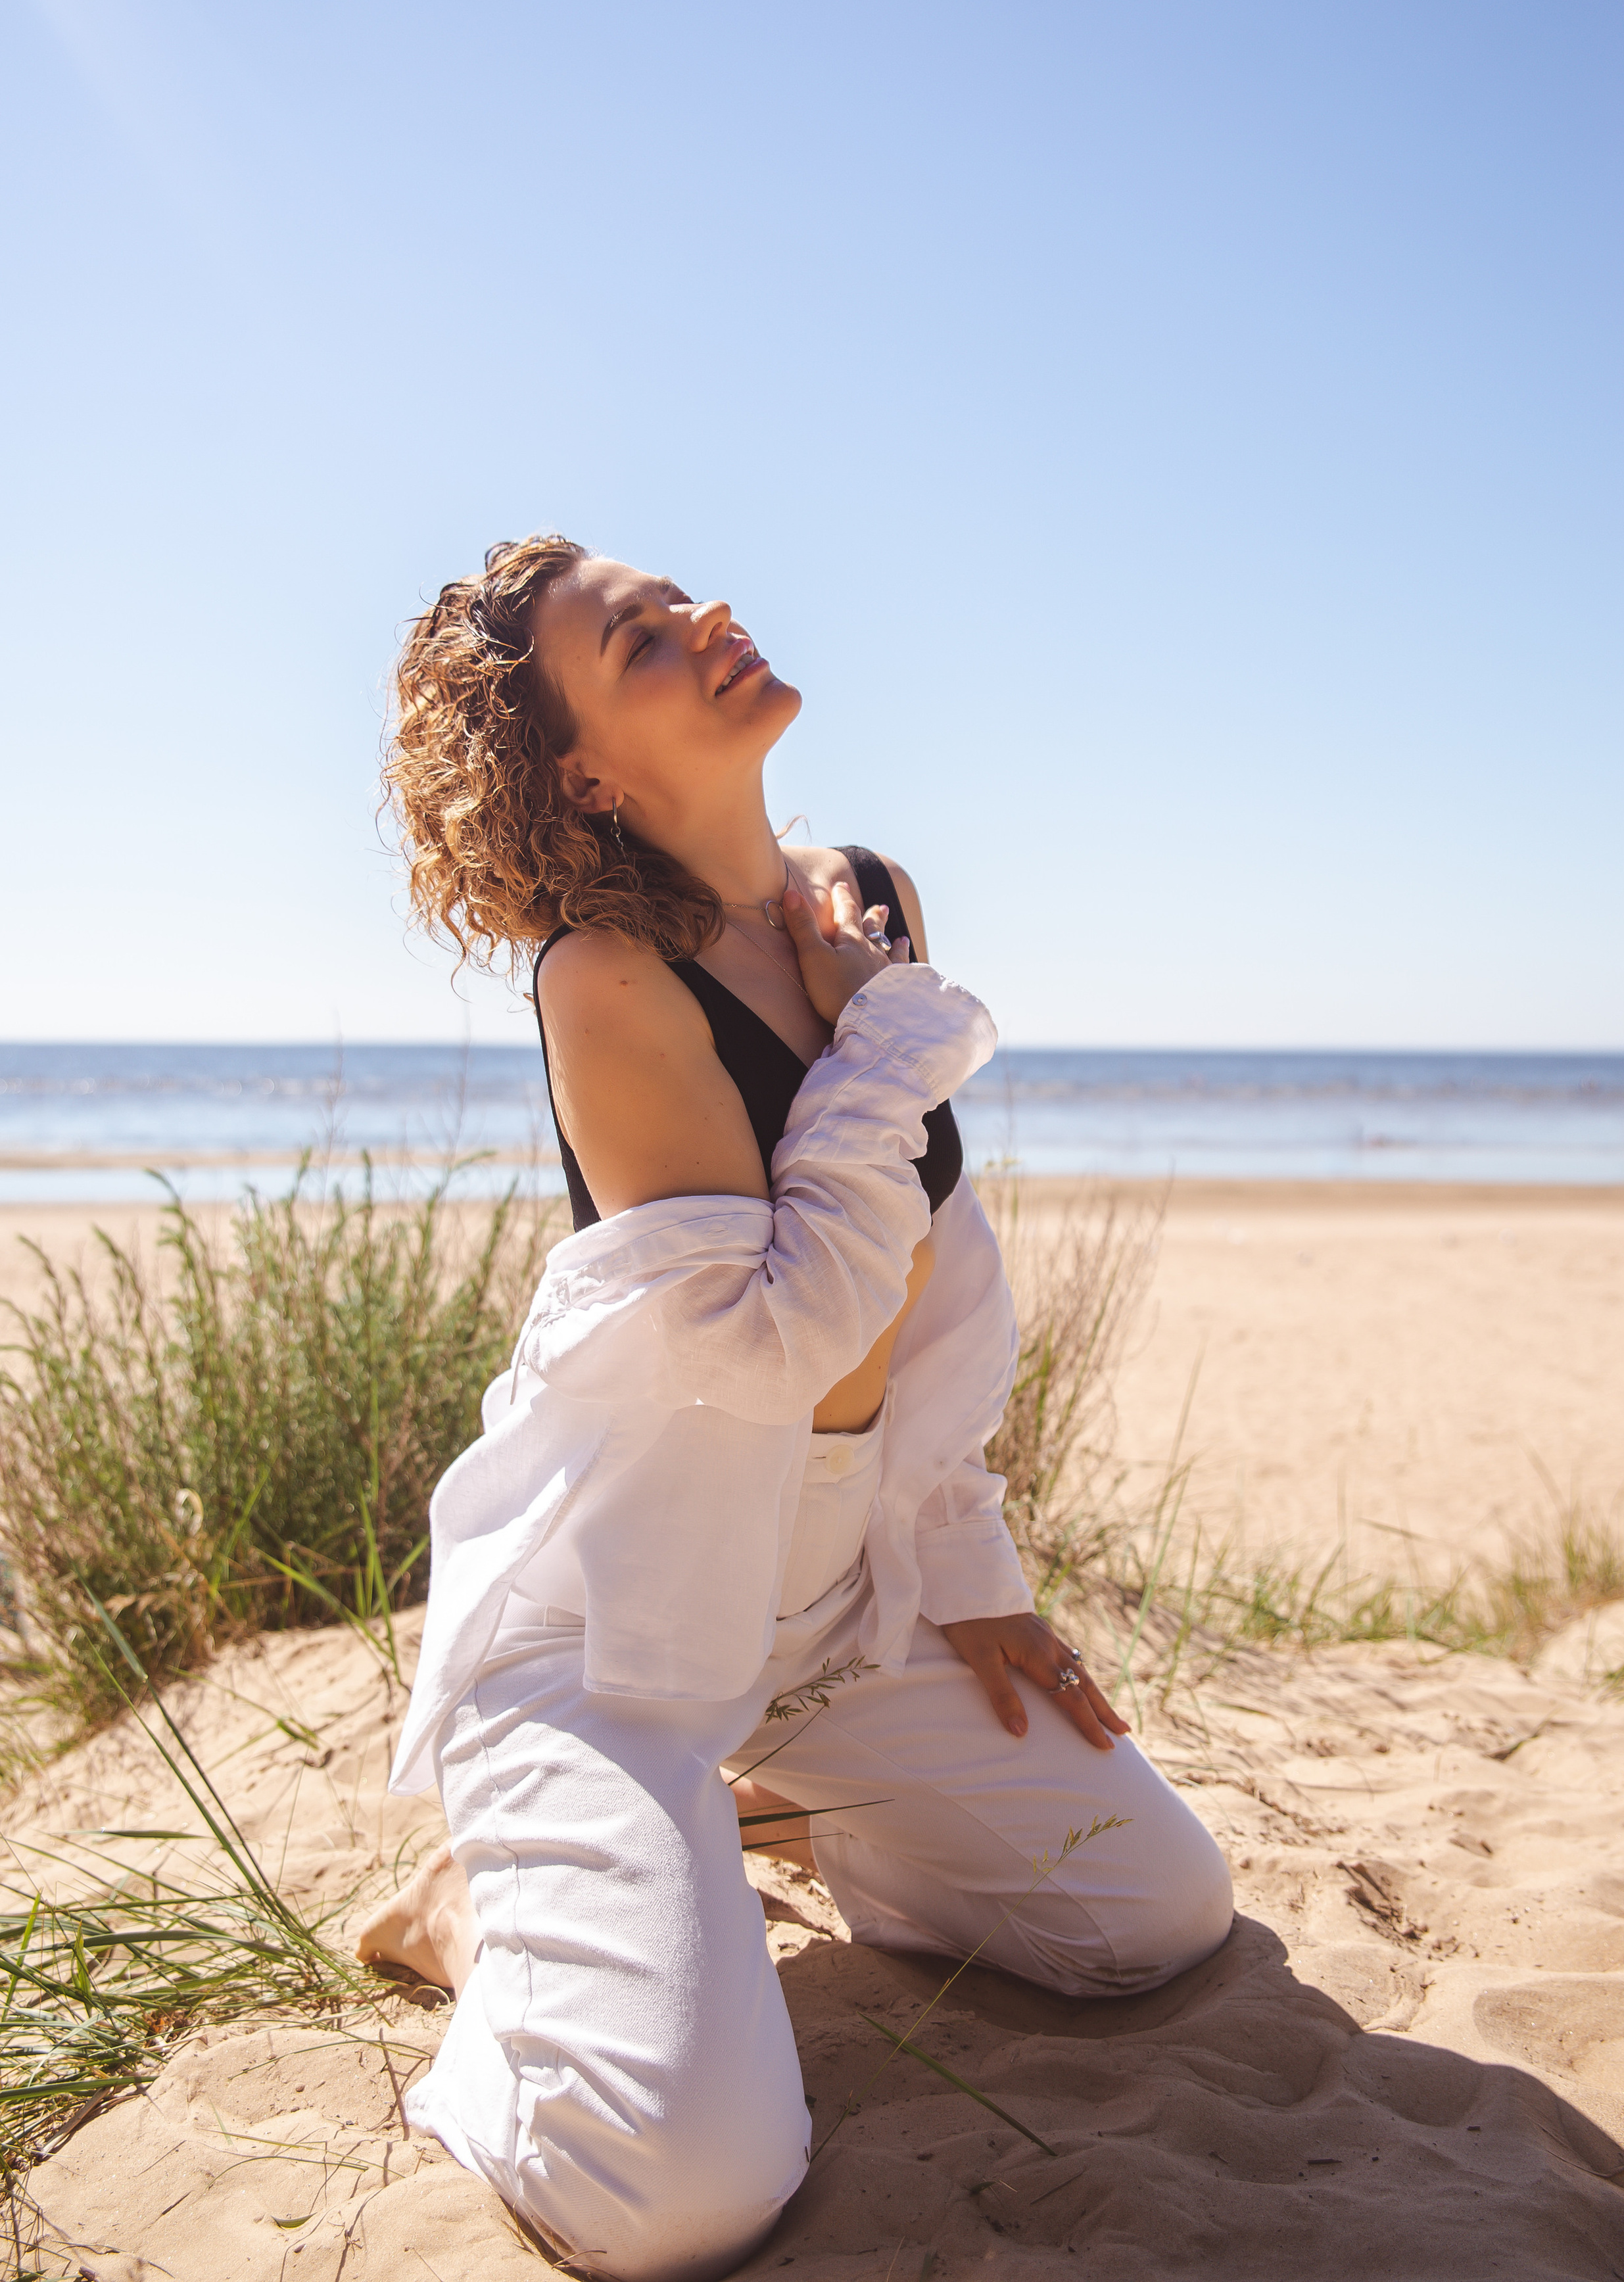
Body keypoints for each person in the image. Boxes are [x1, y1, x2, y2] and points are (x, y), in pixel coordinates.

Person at [366, 535, 1232, 2281]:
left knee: (1154, 1910)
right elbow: (793, 1351)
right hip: (620, 1632)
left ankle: (782, 1815)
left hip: (834, 1608)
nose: (705, 620)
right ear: (590, 775)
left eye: (680, 596)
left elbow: (935, 1289)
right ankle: (479, 1900)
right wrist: (879, 1041)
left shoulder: (867, 891)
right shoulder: (606, 984)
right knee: (692, 2192)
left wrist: (967, 1562)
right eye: (642, 640)